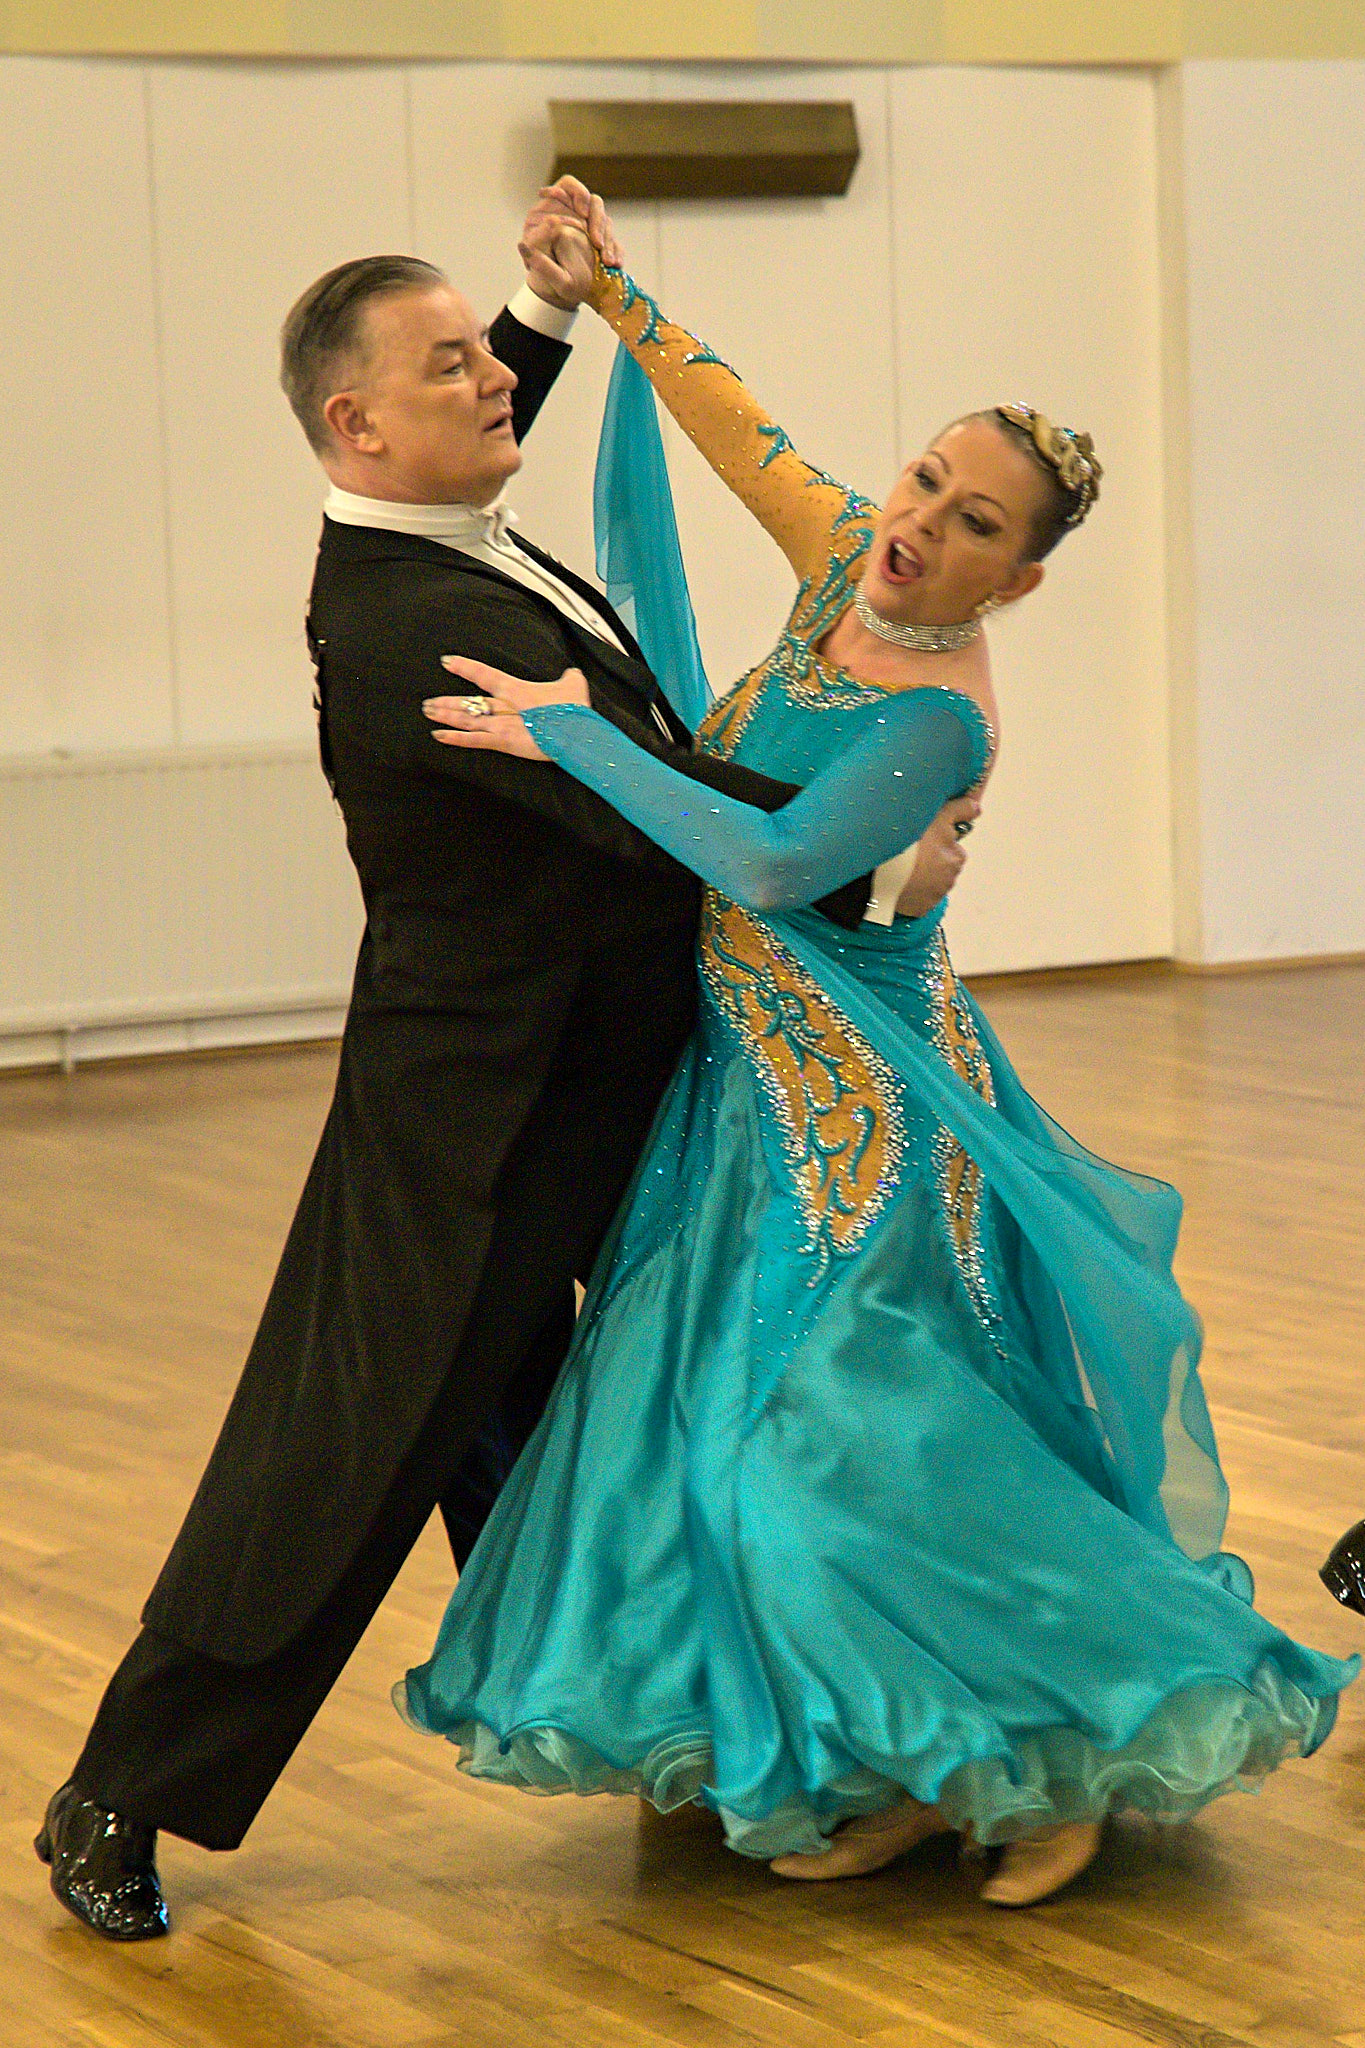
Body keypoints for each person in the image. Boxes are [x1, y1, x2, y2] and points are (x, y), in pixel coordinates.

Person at [399, 191, 1358, 1910]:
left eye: (970, 520)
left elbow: (769, 864)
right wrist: (611, 294)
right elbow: (739, 427)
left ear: (1021, 575)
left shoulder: (937, 721)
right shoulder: (850, 554)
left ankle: (1052, 1756)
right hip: (739, 1091)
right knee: (734, 1443)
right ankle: (904, 1762)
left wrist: (572, 737)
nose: (917, 523)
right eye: (922, 479)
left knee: (855, 1449)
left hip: (862, 1112)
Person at [36, 206, 974, 1941]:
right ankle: (123, 1787)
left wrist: (542, 309)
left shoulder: (435, 517)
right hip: (472, 1131)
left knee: (597, 1438)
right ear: (354, 426)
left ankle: (675, 1739)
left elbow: (486, 422)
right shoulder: (408, 628)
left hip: (602, 1089)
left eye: (488, 353)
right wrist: (875, 861)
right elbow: (643, 803)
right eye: (451, 364)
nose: (492, 380)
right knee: (350, 1453)